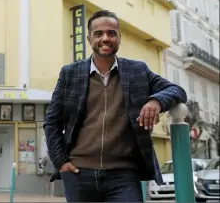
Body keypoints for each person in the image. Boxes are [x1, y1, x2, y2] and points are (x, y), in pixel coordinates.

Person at [43, 10, 187, 202]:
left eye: (111, 33)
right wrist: (61, 163)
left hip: (124, 175)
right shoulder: (70, 73)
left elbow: (177, 90)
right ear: (89, 38)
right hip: (78, 174)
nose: (105, 38)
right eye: (98, 33)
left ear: (119, 38)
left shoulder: (137, 71)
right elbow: (52, 122)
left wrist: (156, 101)